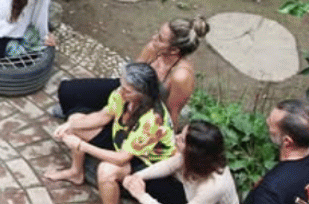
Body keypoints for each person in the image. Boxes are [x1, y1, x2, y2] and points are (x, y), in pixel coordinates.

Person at [45, 60, 176, 204]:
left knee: (107, 170)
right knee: (77, 119)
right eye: (122, 86)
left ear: (142, 93)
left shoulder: (152, 119)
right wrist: (70, 125)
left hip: (146, 161)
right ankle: (76, 172)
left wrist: (81, 145)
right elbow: (103, 116)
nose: (121, 92)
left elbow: (122, 158)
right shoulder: (122, 94)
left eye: (127, 90)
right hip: (123, 139)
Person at [53, 16, 210, 126]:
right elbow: (132, 76)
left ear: (174, 50)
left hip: (147, 110)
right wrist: (118, 97)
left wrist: (165, 142)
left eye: (160, 39)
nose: (153, 37)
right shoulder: (153, 48)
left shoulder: (181, 76)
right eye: (158, 33)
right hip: (129, 92)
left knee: (88, 122)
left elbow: (171, 113)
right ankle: (79, 109)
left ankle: (80, 113)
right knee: (67, 90)